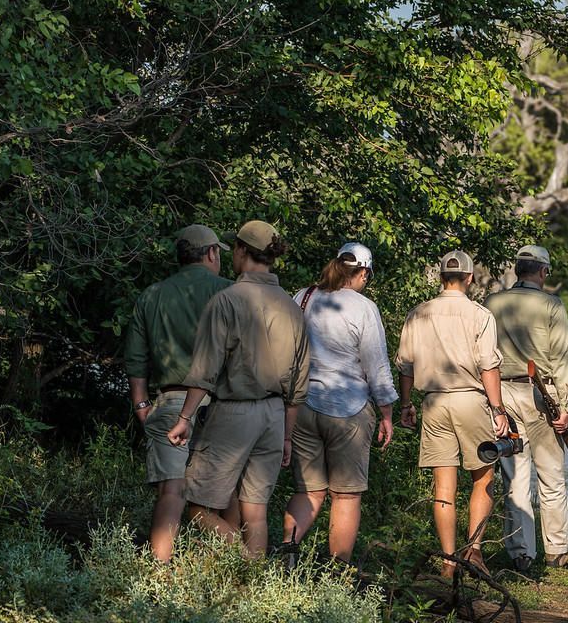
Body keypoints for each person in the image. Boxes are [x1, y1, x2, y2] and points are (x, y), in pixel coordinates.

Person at [167, 220, 309, 558]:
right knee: (255, 512)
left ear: (243, 251)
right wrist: (287, 437)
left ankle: (247, 563)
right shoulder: (292, 307)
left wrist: (185, 417)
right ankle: (252, 586)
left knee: (198, 507)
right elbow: (299, 383)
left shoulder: (228, 300)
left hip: (234, 413)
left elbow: (205, 368)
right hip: (274, 415)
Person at [123, 224, 235, 563]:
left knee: (171, 490)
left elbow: (136, 358)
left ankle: (160, 569)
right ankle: (234, 567)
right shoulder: (229, 292)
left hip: (171, 401)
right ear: (212, 253)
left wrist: (141, 403)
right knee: (225, 494)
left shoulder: (152, 295)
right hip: (222, 405)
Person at [280, 242, 398, 563]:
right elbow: (376, 366)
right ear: (362, 272)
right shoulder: (363, 307)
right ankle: (337, 573)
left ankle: (287, 553)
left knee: (309, 491)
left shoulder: (303, 297)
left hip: (302, 407)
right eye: (367, 276)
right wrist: (387, 413)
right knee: (346, 495)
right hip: (349, 410)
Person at [396, 250, 509, 577]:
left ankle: (448, 562)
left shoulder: (418, 313)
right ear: (470, 278)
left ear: (441, 277)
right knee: (483, 476)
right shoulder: (480, 315)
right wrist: (498, 410)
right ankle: (473, 551)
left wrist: (406, 405)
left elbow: (405, 365)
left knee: (443, 487)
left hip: (434, 402)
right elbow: (489, 365)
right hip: (470, 401)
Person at [485, 244, 568, 571]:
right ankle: (557, 551)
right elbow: (562, 359)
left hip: (502, 394)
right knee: (551, 476)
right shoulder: (552, 305)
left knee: (514, 477)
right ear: (542, 272)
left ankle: (521, 553)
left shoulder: (492, 303)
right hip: (542, 395)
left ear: (516, 270)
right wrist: (565, 405)